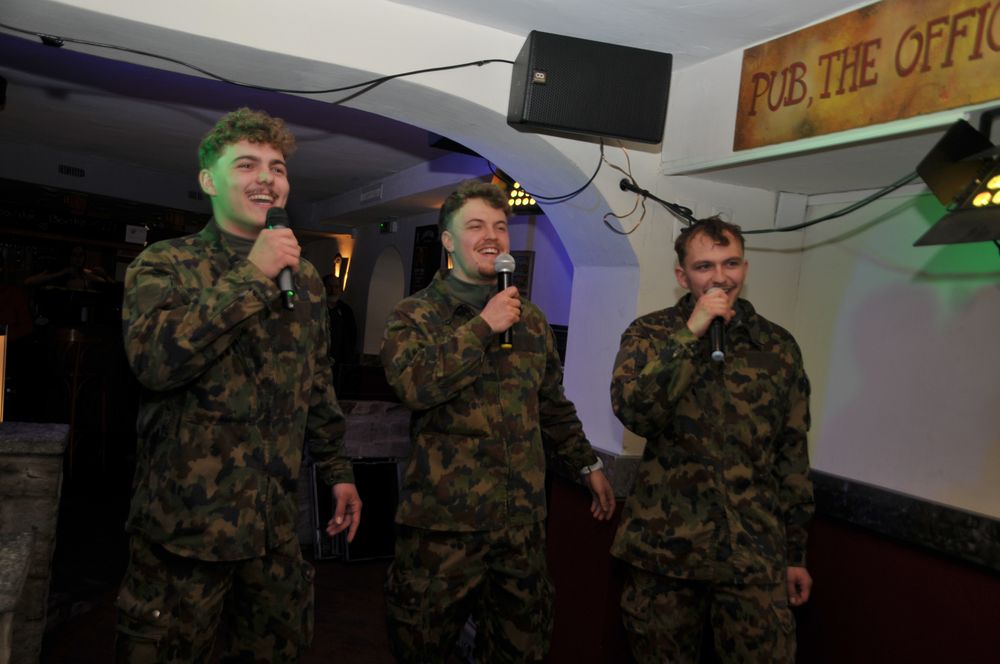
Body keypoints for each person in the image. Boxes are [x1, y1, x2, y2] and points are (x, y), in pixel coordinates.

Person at [114, 107, 362, 662]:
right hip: (184, 533)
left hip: (274, 532)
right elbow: (154, 364)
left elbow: (317, 384)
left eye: (278, 167)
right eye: (247, 164)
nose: (267, 178)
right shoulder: (165, 265)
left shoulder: (307, 281)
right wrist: (252, 275)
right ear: (209, 181)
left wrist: (338, 473)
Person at [380, 180, 616, 663]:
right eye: (475, 226)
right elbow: (414, 387)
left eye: (500, 226)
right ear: (448, 241)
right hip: (442, 530)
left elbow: (551, 405)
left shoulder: (531, 321)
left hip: (519, 528)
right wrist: (483, 326)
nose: (492, 236)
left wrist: (588, 465)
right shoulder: (415, 315)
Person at [609, 216, 814, 663]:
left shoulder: (777, 346)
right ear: (683, 276)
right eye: (704, 266)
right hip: (665, 554)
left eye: (731, 263)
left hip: (753, 555)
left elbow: (792, 453)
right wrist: (691, 333)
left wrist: (795, 552)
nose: (720, 277)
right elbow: (636, 412)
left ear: (744, 268)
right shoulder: (650, 334)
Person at [322, 273, 358, 391]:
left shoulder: (346, 311)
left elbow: (352, 336)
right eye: (330, 286)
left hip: (340, 363)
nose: (333, 290)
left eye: (336, 287)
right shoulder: (318, 308)